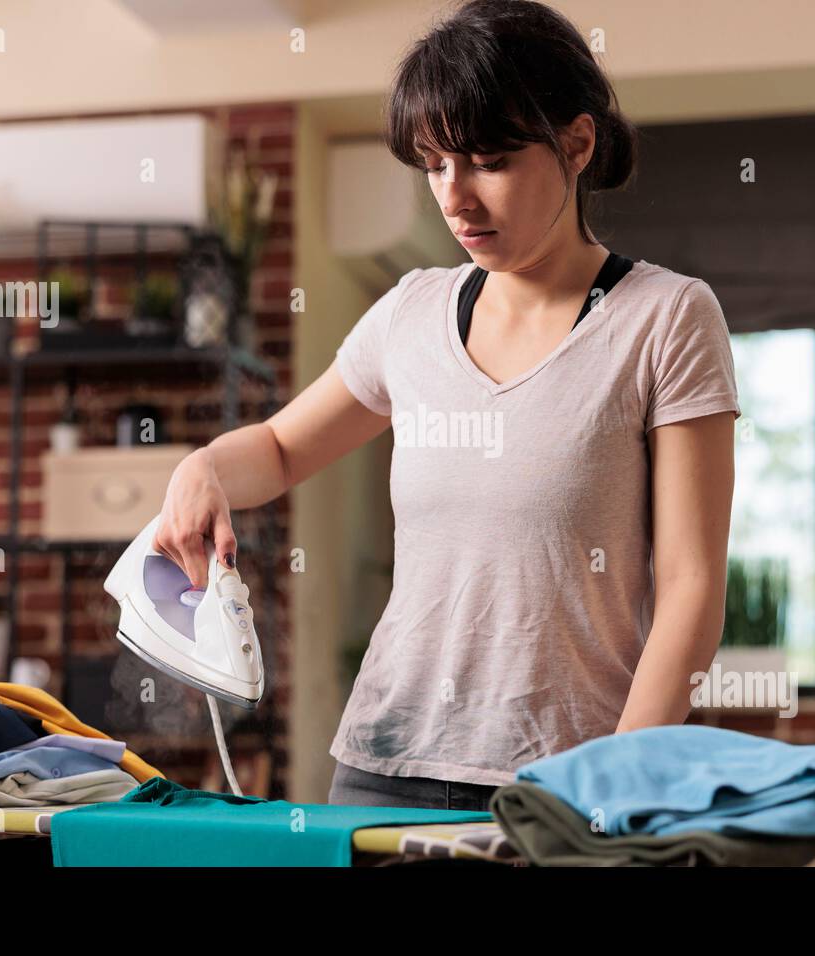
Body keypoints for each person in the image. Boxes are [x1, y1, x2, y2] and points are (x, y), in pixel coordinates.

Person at [152, 0, 741, 812]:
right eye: (434, 164)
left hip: (567, 781)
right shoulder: (411, 312)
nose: (454, 197)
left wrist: (619, 787)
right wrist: (203, 466)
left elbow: (692, 586)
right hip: (382, 770)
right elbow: (284, 451)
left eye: (488, 161)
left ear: (577, 144)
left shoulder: (665, 318)